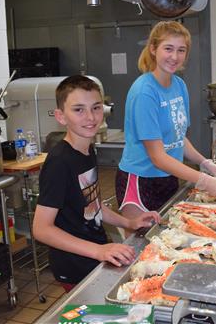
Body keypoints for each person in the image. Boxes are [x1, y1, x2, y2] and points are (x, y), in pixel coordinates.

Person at [33, 75, 160, 290]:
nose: (90, 117)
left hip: (94, 255)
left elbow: (92, 204)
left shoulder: (87, 149)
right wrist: (98, 251)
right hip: (75, 264)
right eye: (79, 109)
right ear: (61, 116)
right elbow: (41, 229)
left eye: (96, 107)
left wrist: (128, 223)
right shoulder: (59, 162)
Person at [115, 21, 216, 227]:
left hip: (169, 176)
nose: (174, 56)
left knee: (169, 233)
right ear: (153, 49)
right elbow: (158, 157)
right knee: (142, 245)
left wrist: (205, 163)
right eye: (168, 48)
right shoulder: (145, 92)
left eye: (181, 50)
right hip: (141, 180)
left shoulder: (179, 85)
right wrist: (204, 181)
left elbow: (178, 138)